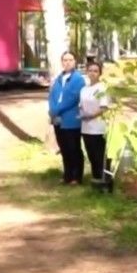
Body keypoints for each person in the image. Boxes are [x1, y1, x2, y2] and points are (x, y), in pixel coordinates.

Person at [48, 51, 86, 185]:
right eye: (65, 60)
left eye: (70, 60)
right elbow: (52, 96)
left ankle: (77, 176)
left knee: (73, 148)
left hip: (71, 120)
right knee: (63, 148)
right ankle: (67, 175)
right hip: (58, 119)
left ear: (75, 62)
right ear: (61, 62)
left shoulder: (78, 79)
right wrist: (52, 110)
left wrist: (56, 109)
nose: (67, 62)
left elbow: (73, 98)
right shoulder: (58, 79)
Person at [78, 61, 111, 184]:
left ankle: (102, 179)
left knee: (99, 154)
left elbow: (104, 107)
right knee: (90, 153)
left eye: (95, 71)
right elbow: (81, 106)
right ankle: (95, 177)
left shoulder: (102, 88)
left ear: (100, 73)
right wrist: (82, 115)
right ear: (87, 72)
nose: (92, 73)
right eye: (90, 70)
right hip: (86, 127)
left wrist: (91, 116)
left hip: (98, 127)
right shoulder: (84, 89)